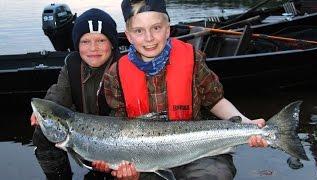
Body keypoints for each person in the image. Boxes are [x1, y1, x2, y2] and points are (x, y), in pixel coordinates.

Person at [92, 0, 269, 180]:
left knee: (216, 174)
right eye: (139, 31)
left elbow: (216, 100)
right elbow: (118, 127)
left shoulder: (193, 59)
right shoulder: (115, 75)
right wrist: (124, 169)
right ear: (129, 36)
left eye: (156, 28)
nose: (149, 38)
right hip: (144, 157)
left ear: (168, 29)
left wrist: (248, 125)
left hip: (197, 150)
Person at [30, 8, 120, 180]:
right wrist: (44, 110)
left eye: (101, 40)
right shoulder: (72, 64)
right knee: (42, 132)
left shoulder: (125, 67)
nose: (93, 48)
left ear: (112, 43)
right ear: (77, 44)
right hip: (82, 132)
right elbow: (59, 93)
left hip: (117, 137)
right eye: (85, 42)